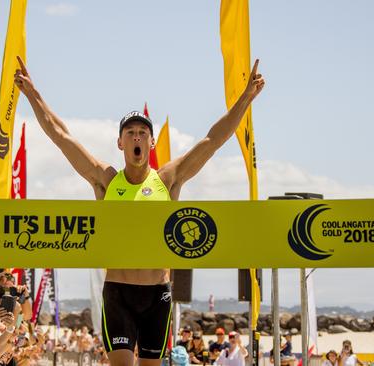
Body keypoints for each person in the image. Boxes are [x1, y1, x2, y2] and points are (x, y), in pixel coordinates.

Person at [14, 55, 264, 366]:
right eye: (130, 132)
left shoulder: (167, 180)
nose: (136, 136)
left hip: (157, 293)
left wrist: (246, 99)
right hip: (118, 292)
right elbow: (62, 137)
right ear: (120, 142)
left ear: (151, 142)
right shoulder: (105, 180)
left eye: (142, 132)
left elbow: (212, 140)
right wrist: (33, 95)